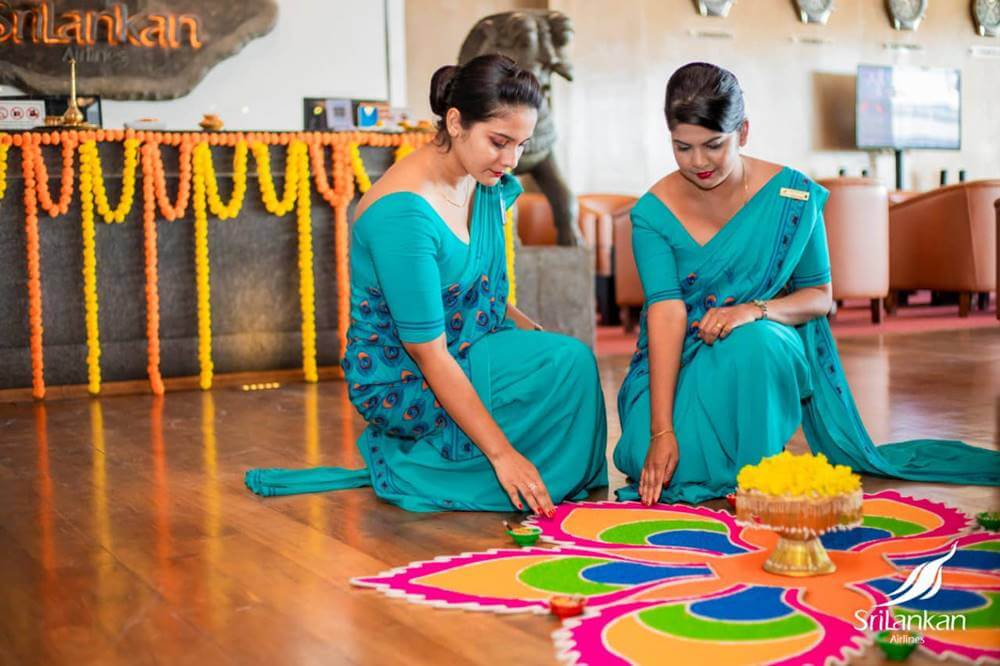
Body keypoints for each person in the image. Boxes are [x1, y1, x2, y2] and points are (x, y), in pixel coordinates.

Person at [615, 62, 999, 506]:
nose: (698, 162)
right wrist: (662, 430)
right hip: (677, 361)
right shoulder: (652, 213)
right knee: (650, 456)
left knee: (755, 342)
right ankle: (707, 446)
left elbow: (820, 297)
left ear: (742, 132)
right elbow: (666, 310)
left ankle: (759, 473)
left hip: (754, 351)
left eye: (713, 145)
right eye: (683, 148)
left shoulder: (791, 196)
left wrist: (753, 310)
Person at [246, 54, 608, 512]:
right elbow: (427, 351)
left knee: (569, 363)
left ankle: (536, 473)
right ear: (455, 122)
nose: (511, 159)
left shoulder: (485, 180)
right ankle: (429, 469)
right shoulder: (403, 213)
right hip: (406, 372)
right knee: (560, 368)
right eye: (499, 141)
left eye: (522, 144)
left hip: (471, 339)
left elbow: (482, 291)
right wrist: (503, 455)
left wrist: (531, 333)